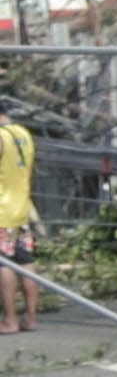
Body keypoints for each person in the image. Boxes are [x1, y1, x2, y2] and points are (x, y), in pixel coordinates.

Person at [0, 113, 33, 332]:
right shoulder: (23, 133)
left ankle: (10, 320)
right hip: (23, 209)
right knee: (26, 262)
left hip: (2, 212)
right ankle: (31, 317)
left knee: (5, 263)